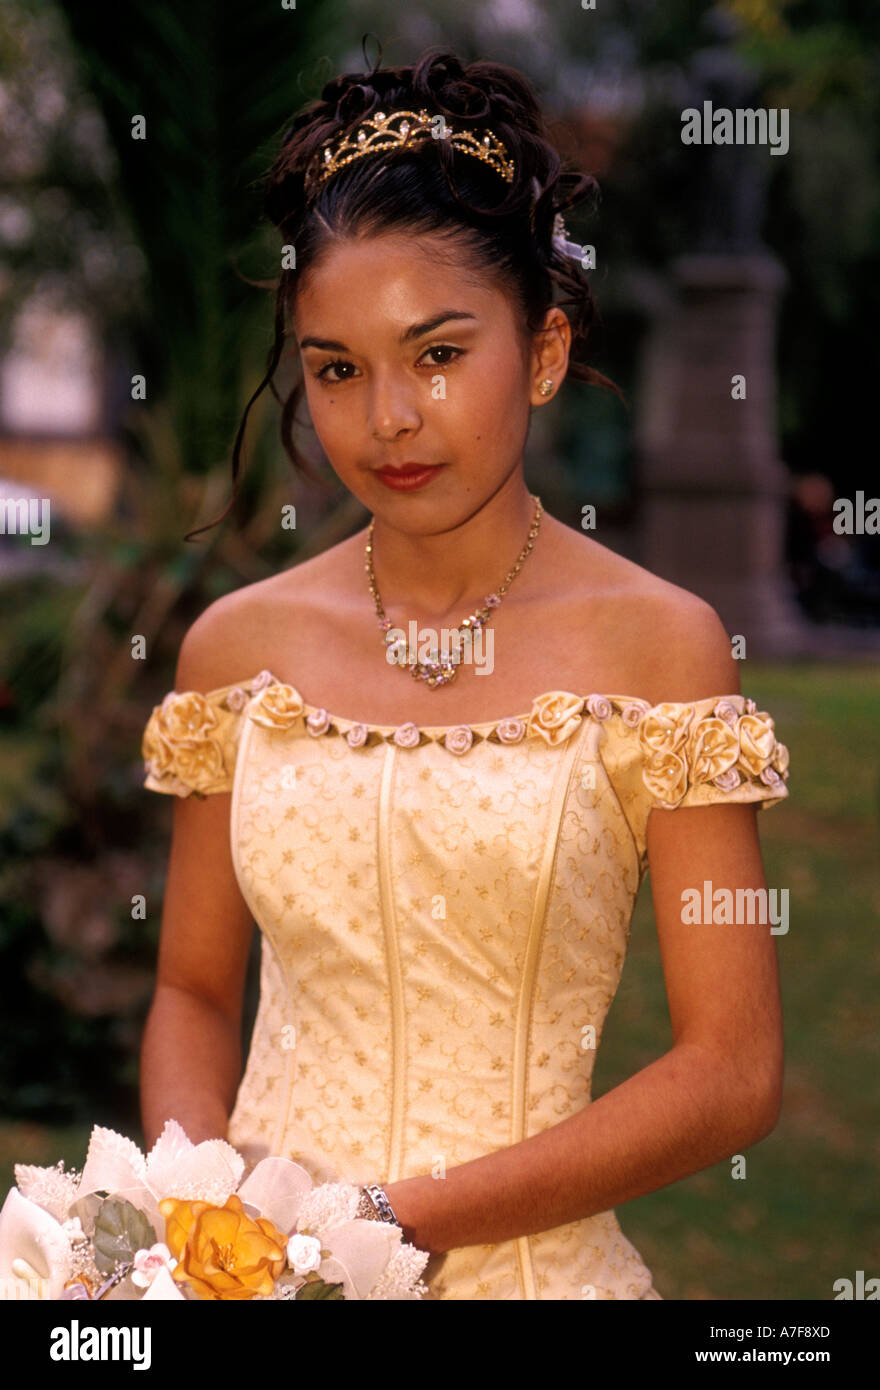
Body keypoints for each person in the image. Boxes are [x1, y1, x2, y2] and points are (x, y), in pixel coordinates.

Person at [139, 47, 791, 1300]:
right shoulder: (235, 650)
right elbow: (188, 987)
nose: (386, 416)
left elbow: (730, 1068)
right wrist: (204, 1216)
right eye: (336, 367)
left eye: (436, 354)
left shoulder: (660, 650)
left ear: (541, 354)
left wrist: (383, 1226)